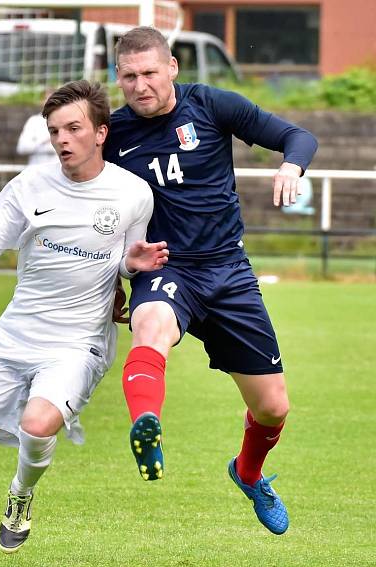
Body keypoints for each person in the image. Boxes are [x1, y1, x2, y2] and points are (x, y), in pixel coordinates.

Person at [0, 80, 169, 567]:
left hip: (78, 342)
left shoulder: (132, 194)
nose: (62, 139)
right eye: (55, 131)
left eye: (73, 128)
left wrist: (132, 269)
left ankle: (21, 494)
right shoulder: (29, 186)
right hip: (13, 338)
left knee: (38, 422)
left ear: (100, 133)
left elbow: (130, 266)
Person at [102, 26, 318, 535]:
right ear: (118, 77)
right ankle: (144, 426)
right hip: (166, 266)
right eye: (129, 76)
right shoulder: (112, 136)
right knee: (151, 325)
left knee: (271, 407)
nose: (140, 85)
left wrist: (291, 166)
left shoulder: (211, 106)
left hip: (228, 271)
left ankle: (248, 473)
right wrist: (113, 276)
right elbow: (96, 215)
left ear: (172, 67)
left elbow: (297, 136)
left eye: (150, 73)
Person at [15, 88, 58, 165]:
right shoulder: (33, 121)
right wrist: (43, 141)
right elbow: (21, 148)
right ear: (41, 101)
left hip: (58, 174)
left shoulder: (64, 122)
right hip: (36, 173)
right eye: (46, 99)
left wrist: (37, 144)